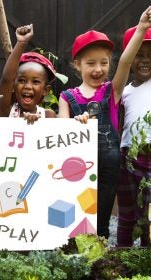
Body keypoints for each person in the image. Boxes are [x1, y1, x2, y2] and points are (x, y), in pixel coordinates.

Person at [57, 6, 151, 239]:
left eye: (104, 63)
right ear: (77, 65)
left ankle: (100, 251)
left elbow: (126, 62)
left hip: (110, 166)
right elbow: (61, 131)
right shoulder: (67, 97)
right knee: (77, 210)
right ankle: (74, 250)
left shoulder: (112, 91)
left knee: (103, 213)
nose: (98, 69)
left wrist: (140, 29)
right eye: (90, 63)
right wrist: (74, 124)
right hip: (78, 165)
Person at [117, 25, 151, 247]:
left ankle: (146, 257)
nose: (145, 60)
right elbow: (120, 124)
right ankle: (122, 255)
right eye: (139, 54)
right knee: (127, 213)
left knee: (148, 215)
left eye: (150, 55)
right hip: (128, 157)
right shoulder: (126, 91)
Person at [0, 24, 58, 124]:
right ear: (13, 85)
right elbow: (6, 79)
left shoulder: (48, 116)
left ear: (45, 90)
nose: (28, 86)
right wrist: (21, 43)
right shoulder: (7, 110)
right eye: (21, 80)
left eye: (35, 82)